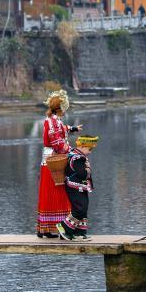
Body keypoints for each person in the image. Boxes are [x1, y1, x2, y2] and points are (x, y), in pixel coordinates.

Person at [36, 89, 81, 237]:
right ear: (60, 108)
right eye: (64, 108)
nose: (65, 111)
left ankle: (46, 228)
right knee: (56, 192)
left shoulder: (53, 120)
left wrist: (73, 128)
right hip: (53, 161)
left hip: (49, 160)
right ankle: (52, 227)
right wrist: (71, 151)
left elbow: (62, 129)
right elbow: (57, 142)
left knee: (48, 193)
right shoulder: (52, 121)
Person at [57, 135, 98, 241]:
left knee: (83, 209)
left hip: (79, 187)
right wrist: (88, 168)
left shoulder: (74, 154)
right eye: (90, 149)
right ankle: (64, 227)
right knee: (79, 209)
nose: (90, 152)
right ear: (84, 146)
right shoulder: (78, 158)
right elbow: (82, 174)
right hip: (75, 187)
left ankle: (79, 233)